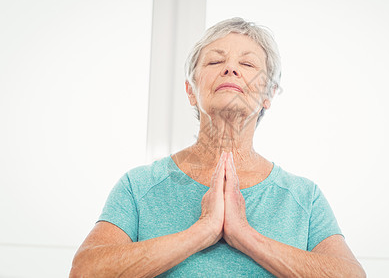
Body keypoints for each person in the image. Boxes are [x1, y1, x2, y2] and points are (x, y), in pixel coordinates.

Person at [70, 17, 366, 277]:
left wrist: (244, 235)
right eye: (215, 61)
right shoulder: (139, 186)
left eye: (247, 64)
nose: (231, 70)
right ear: (191, 91)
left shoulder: (305, 197)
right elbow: (84, 272)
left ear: (269, 94)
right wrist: (203, 231)